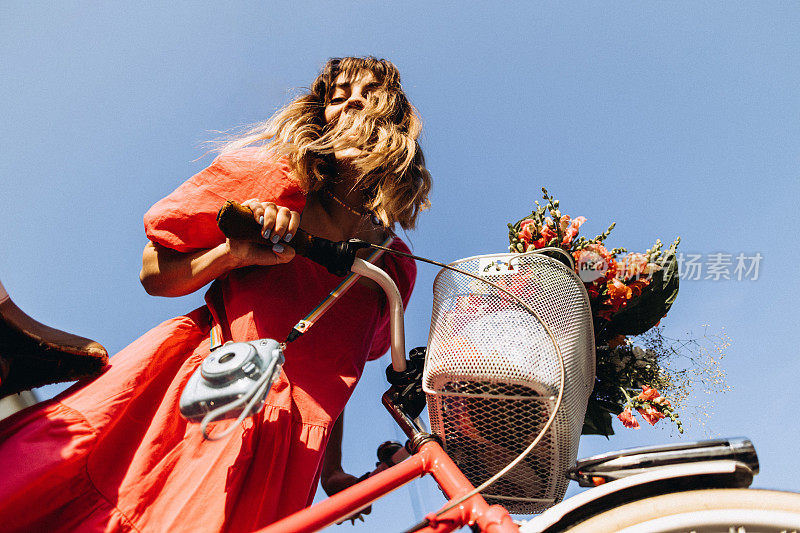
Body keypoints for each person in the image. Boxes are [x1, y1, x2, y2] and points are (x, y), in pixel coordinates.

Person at [0, 56, 431, 532]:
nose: (350, 101)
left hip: (289, 454)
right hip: (202, 395)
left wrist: (332, 471)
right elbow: (153, 273)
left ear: (396, 117)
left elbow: (334, 372)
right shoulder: (274, 181)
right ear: (320, 114)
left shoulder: (395, 266)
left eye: (368, 92)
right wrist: (230, 254)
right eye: (336, 95)